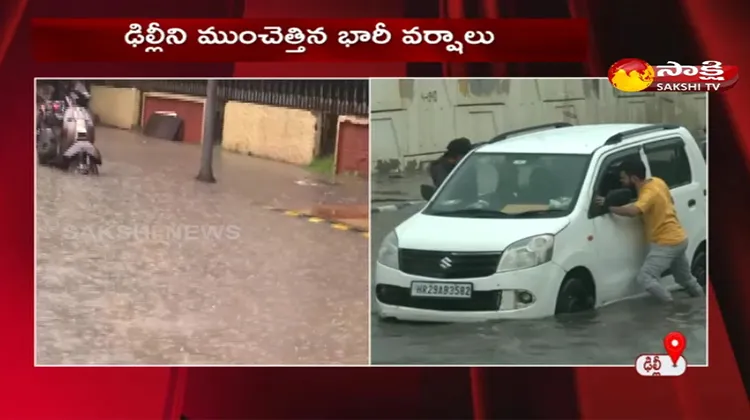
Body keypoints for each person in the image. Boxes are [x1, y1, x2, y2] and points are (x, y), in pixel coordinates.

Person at [595, 158, 704, 302]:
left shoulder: (648, 194)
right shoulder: (657, 182)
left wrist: (609, 207)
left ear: (633, 178)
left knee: (646, 277)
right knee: (684, 278)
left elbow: (634, 211)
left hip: (667, 242)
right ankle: (702, 302)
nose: (621, 181)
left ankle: (670, 307)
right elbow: (670, 200)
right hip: (679, 238)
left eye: (623, 178)